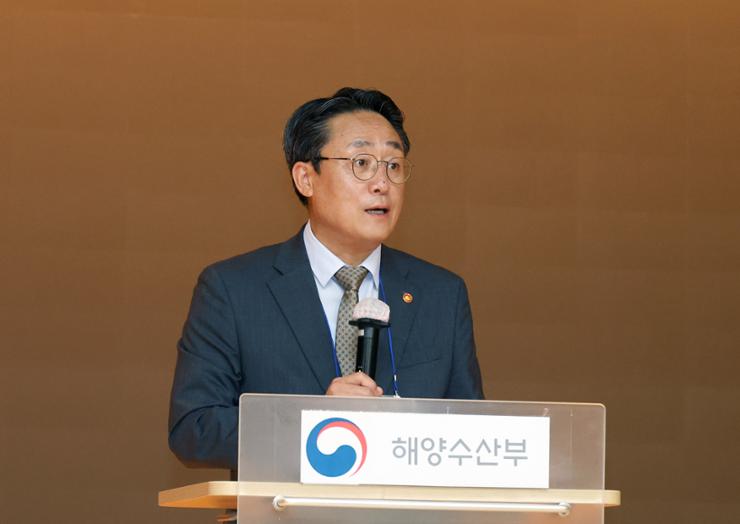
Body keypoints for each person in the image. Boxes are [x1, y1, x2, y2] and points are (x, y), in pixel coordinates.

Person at [168, 87, 483, 471]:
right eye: (362, 163)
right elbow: (194, 429)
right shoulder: (233, 290)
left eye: (394, 165)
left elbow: (472, 434)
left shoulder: (441, 294)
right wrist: (315, 425)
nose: (382, 183)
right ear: (306, 178)